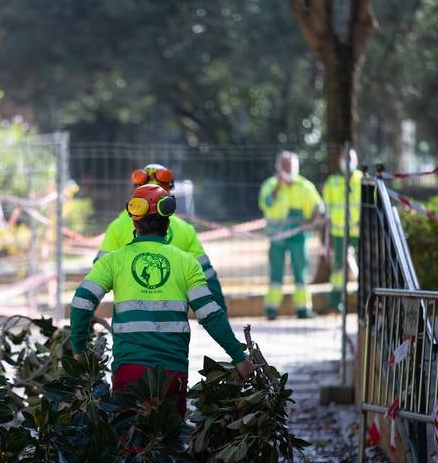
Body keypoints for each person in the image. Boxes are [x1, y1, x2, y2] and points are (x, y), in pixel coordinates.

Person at [71, 183, 254, 422]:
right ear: (168, 223)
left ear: (134, 222)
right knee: (168, 442)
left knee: (131, 445)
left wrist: (79, 351)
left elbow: (81, 303)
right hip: (172, 372)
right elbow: (211, 315)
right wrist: (239, 358)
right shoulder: (187, 263)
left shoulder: (113, 262)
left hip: (129, 369)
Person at [95, 163, 227, 311]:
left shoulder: (117, 227)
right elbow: (208, 277)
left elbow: (97, 276)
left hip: (128, 326)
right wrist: (221, 316)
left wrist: (86, 319)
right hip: (173, 327)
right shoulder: (185, 230)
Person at [258, 151, 324, 320]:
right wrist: (278, 188)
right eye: (284, 166)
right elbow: (265, 204)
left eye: (290, 166)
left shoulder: (305, 186)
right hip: (276, 237)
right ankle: (271, 309)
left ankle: (303, 309)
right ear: (278, 167)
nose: (287, 169)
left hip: (298, 237)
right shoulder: (270, 185)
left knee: (300, 272)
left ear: (297, 168)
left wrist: (310, 221)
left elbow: (319, 207)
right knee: (276, 274)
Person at [322, 147, 362, 310]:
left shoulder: (363, 180)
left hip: (359, 232)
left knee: (364, 265)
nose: (348, 162)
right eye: (345, 158)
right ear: (339, 162)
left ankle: (365, 300)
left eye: (350, 158)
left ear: (356, 161)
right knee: (338, 267)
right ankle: (335, 301)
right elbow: (326, 209)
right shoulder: (332, 182)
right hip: (338, 232)